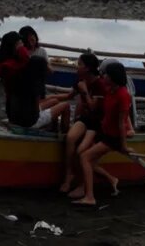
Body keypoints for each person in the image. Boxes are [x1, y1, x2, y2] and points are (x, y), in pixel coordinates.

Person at [72, 61, 134, 206]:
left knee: (85, 158)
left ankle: (89, 197)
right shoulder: (109, 89)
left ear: (113, 77)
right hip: (105, 133)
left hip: (114, 138)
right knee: (89, 162)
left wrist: (123, 145)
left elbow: (122, 121)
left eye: (106, 74)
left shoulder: (123, 95)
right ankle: (112, 179)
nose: (103, 76)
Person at [0, 31, 68, 130]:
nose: (23, 45)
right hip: (29, 119)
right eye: (20, 43)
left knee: (54, 101)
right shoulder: (17, 69)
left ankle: (51, 129)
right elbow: (26, 60)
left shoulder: (9, 64)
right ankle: (61, 137)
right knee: (66, 106)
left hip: (13, 112)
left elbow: (26, 61)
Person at [59, 53, 105, 194]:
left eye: (79, 64)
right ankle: (68, 176)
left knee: (82, 149)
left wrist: (84, 91)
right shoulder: (80, 79)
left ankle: (82, 184)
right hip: (85, 119)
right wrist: (49, 98)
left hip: (98, 121)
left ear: (87, 68)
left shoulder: (99, 84)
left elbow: (93, 108)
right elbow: (68, 96)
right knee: (70, 138)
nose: (76, 67)